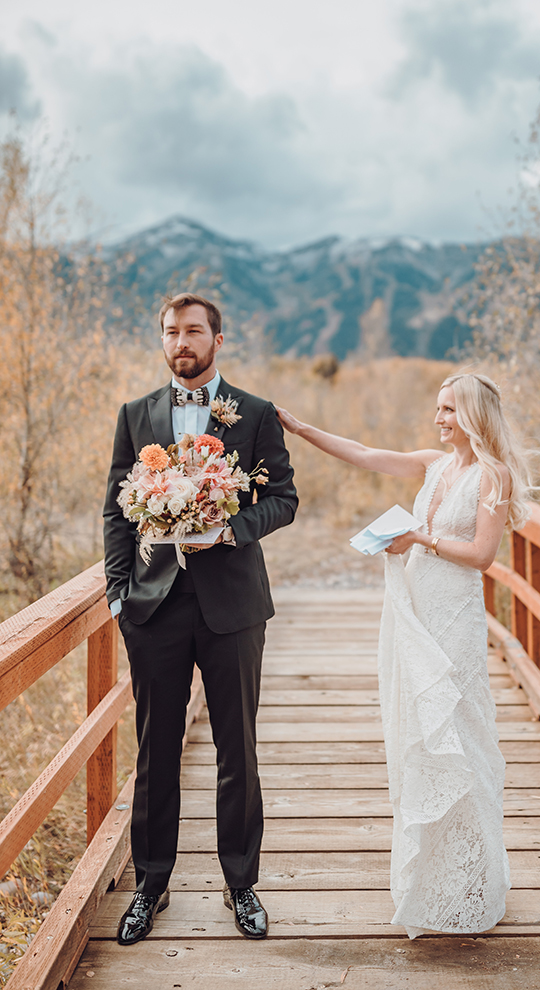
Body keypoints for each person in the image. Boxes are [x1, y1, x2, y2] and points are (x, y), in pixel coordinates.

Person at [277, 372, 540, 938]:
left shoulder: (492, 475)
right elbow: (367, 454)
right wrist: (300, 428)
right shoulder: (434, 464)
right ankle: (431, 878)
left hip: (453, 618)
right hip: (414, 610)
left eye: (449, 410)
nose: (439, 418)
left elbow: (483, 556)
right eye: (438, 408)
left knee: (460, 735)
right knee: (419, 735)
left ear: (472, 414)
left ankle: (473, 881)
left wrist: (419, 539)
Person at [103, 292, 297, 945]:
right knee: (155, 752)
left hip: (234, 606)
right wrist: (117, 594)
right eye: (170, 331)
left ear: (217, 338)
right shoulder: (136, 416)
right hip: (153, 607)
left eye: (193, 330)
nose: (181, 341)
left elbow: (284, 499)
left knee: (235, 749)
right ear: (162, 341)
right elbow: (115, 511)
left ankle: (241, 885)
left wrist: (232, 530)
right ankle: (149, 885)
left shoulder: (255, 414)